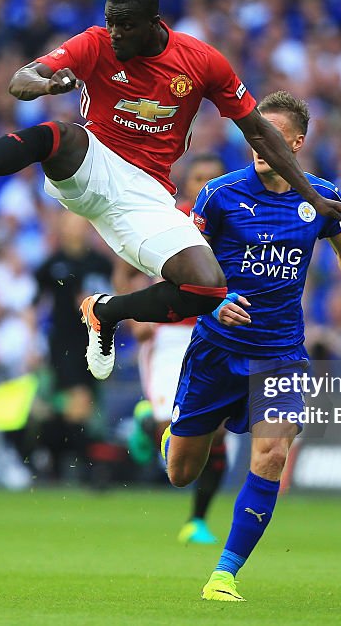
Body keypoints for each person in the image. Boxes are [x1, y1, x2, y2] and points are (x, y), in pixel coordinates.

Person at [0, 0, 341, 385]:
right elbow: (21, 79)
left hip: (147, 194)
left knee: (206, 286)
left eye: (126, 26)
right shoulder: (94, 43)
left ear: (154, 24)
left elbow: (259, 130)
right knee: (60, 135)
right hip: (93, 161)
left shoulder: (201, 62)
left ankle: (107, 313)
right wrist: (45, 84)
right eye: (111, 22)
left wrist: (313, 197)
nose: (114, 34)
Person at [160, 92, 341, 601]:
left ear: (297, 144)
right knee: (181, 473)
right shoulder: (218, 195)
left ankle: (224, 574)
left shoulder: (320, 197)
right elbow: (179, 266)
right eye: (253, 135)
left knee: (270, 455)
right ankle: (169, 439)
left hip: (281, 352)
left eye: (272, 138)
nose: (259, 145)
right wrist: (213, 304)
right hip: (216, 347)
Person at [123, 152, 229, 544]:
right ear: (187, 184)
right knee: (172, 427)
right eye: (198, 177)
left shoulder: (238, 219)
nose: (204, 185)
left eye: (212, 178)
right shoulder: (169, 218)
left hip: (217, 333)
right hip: (168, 332)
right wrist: (136, 315)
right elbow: (128, 265)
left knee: (216, 432)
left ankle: (198, 520)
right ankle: (148, 420)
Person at [32, 211, 113, 479]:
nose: (76, 229)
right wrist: (32, 343)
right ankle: (90, 469)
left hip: (93, 341)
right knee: (79, 401)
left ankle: (49, 457)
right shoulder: (52, 264)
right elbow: (34, 305)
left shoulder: (100, 264)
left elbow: (114, 299)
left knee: (79, 408)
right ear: (63, 229)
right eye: (71, 224)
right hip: (63, 344)